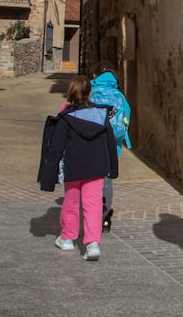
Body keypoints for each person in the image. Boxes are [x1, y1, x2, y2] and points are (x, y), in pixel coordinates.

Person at [38, 74, 118, 261]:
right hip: (96, 167)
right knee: (93, 204)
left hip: (73, 167)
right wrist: (112, 168)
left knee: (71, 202)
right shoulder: (101, 116)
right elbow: (109, 144)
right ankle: (92, 244)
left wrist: (49, 172)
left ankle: (67, 238)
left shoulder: (66, 118)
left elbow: (56, 147)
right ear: (90, 93)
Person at [90, 61, 132, 232]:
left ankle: (93, 212)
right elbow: (126, 117)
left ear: (95, 76)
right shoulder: (119, 96)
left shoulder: (90, 93)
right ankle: (106, 214)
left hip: (91, 142)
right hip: (112, 143)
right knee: (107, 179)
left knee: (92, 179)